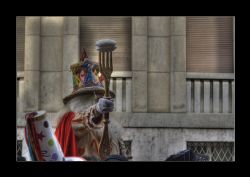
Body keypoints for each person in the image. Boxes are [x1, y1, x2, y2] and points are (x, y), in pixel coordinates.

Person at [55, 49, 127, 161]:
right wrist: (97, 110)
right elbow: (83, 120)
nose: (101, 99)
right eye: (95, 96)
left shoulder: (111, 123)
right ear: (81, 100)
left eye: (101, 95)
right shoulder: (71, 119)